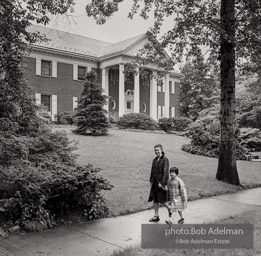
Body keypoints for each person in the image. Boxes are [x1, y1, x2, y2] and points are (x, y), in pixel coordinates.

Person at [148, 144, 170, 222]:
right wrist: (151, 180)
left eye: (158, 150)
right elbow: (152, 171)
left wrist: (163, 183)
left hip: (160, 182)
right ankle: (156, 216)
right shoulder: (154, 160)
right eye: (155, 150)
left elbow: (166, 172)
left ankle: (169, 209)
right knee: (155, 199)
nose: (156, 152)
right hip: (154, 182)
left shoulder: (165, 160)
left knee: (161, 199)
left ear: (161, 150)